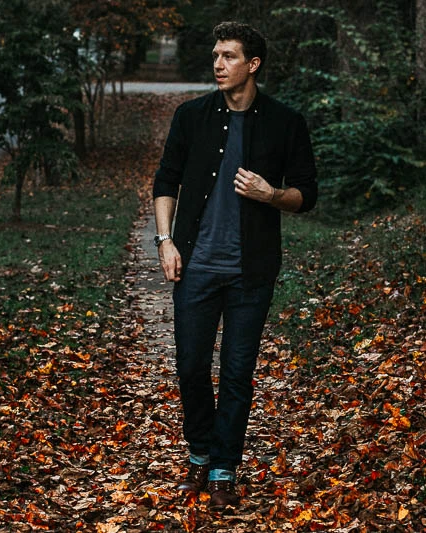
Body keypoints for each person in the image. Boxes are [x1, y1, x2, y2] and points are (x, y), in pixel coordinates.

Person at [151, 21, 318, 509]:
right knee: (190, 366)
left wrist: (271, 194)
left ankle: (224, 467)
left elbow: (307, 194)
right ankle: (199, 450)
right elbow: (166, 180)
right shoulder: (191, 116)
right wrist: (165, 241)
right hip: (195, 266)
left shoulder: (286, 122)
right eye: (215, 55)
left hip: (252, 271)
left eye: (228, 56)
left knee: (238, 371)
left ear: (253, 64)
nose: (218, 64)